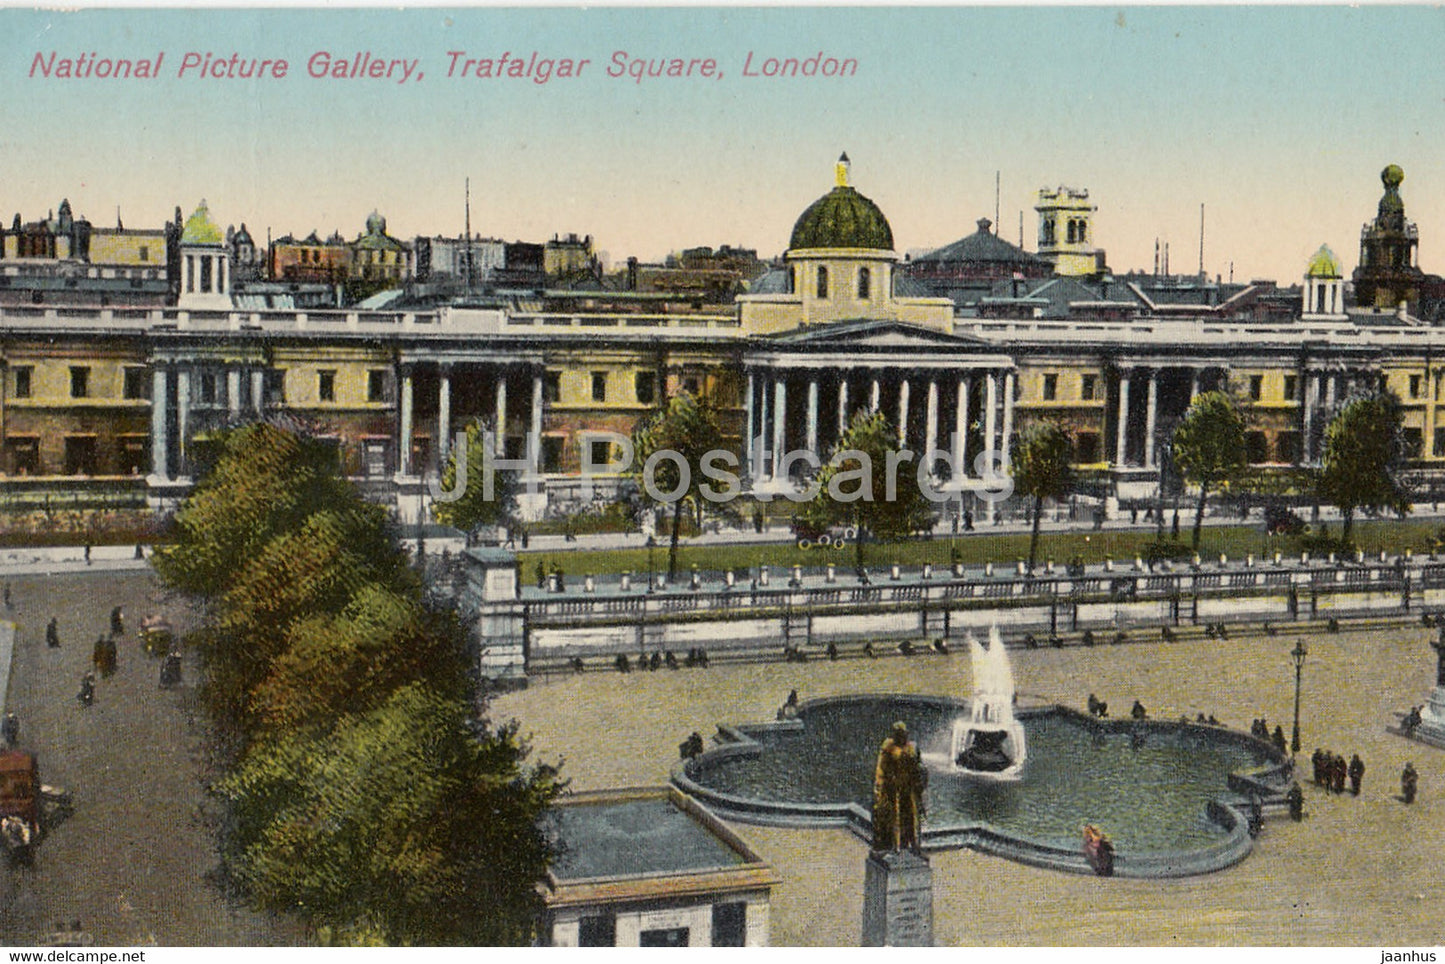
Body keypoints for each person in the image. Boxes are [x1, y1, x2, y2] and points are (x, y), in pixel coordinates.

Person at [871, 722, 927, 853]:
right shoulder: (888, 747)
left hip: (908, 788)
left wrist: (919, 785)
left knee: (911, 816)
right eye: (899, 734)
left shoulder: (911, 748)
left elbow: (918, 768)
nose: (902, 737)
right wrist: (879, 787)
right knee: (893, 816)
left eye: (903, 734)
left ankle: (912, 843)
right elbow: (881, 769)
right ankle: (894, 844)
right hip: (893, 789)